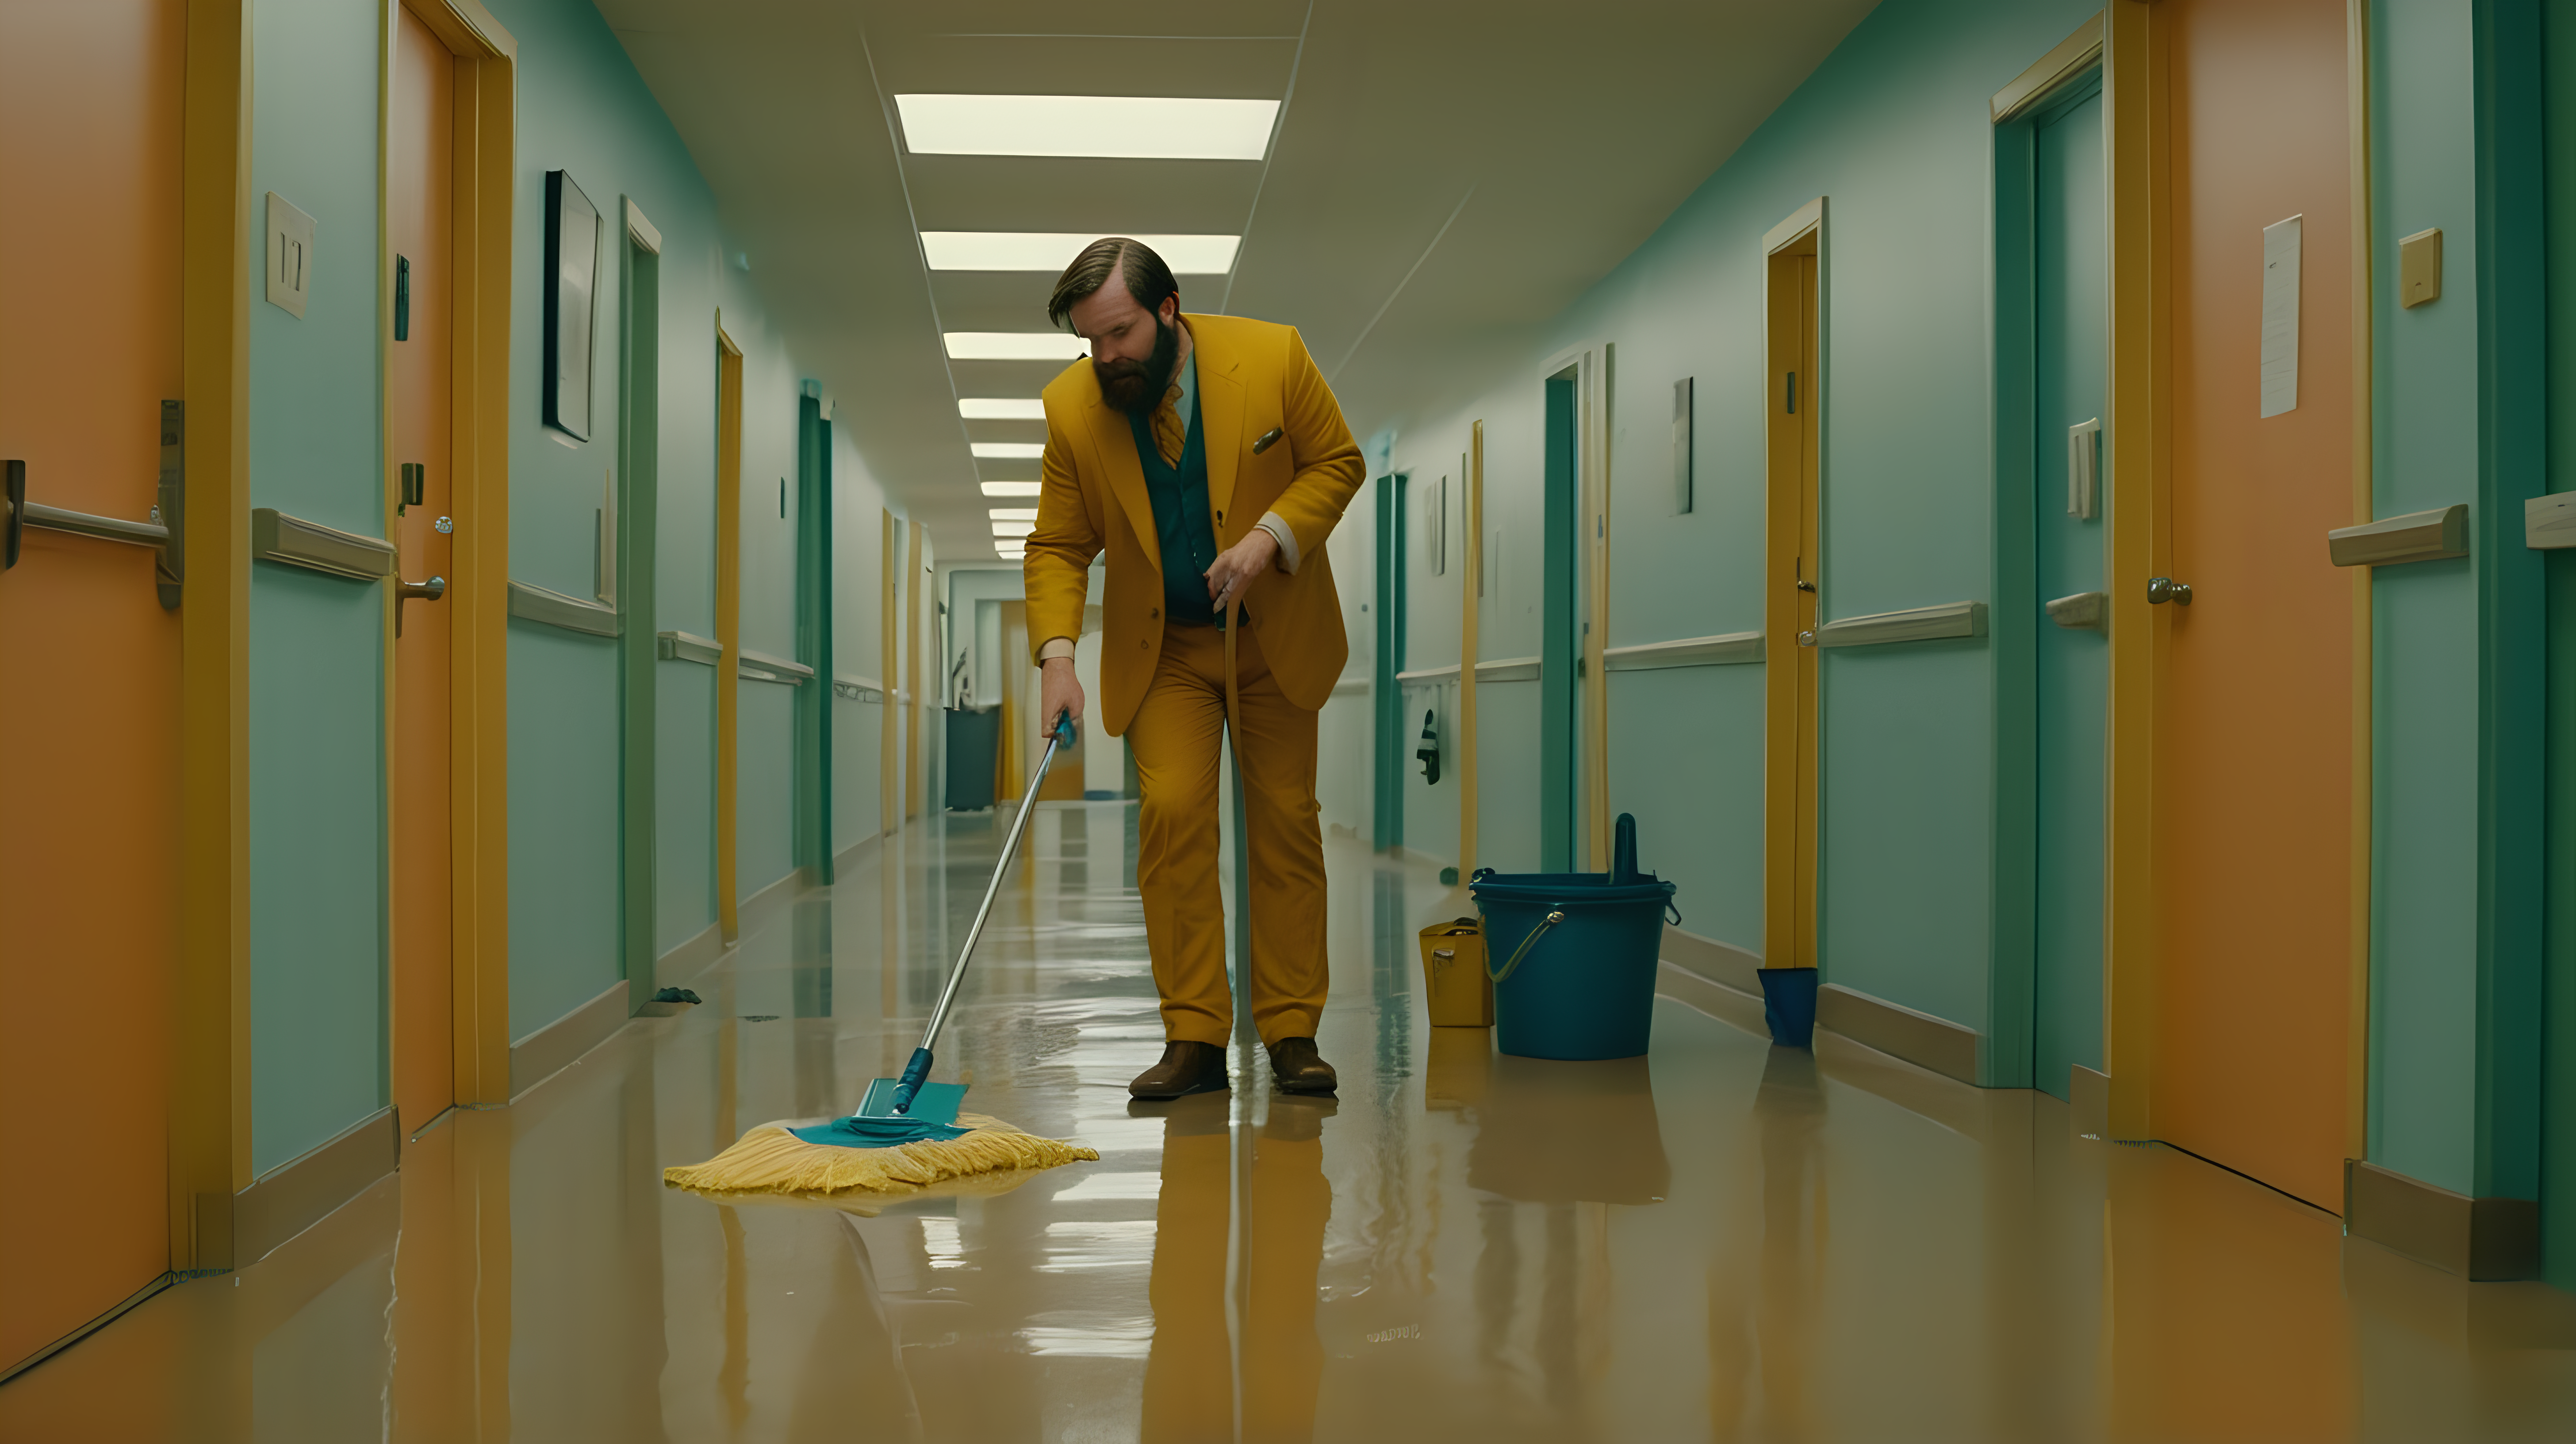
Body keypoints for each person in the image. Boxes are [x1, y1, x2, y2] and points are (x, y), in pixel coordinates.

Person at [1023, 238, 1365, 1098]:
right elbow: (1060, 544)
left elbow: (1338, 462)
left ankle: (1291, 1031)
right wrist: (1056, 659)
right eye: (1089, 341)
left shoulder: (1273, 357)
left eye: (1120, 333)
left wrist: (1269, 537)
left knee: (1285, 819)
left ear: (1168, 309)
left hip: (1269, 634)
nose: (1105, 358)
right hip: (1167, 648)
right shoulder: (1071, 409)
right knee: (1172, 819)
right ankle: (1195, 1037)